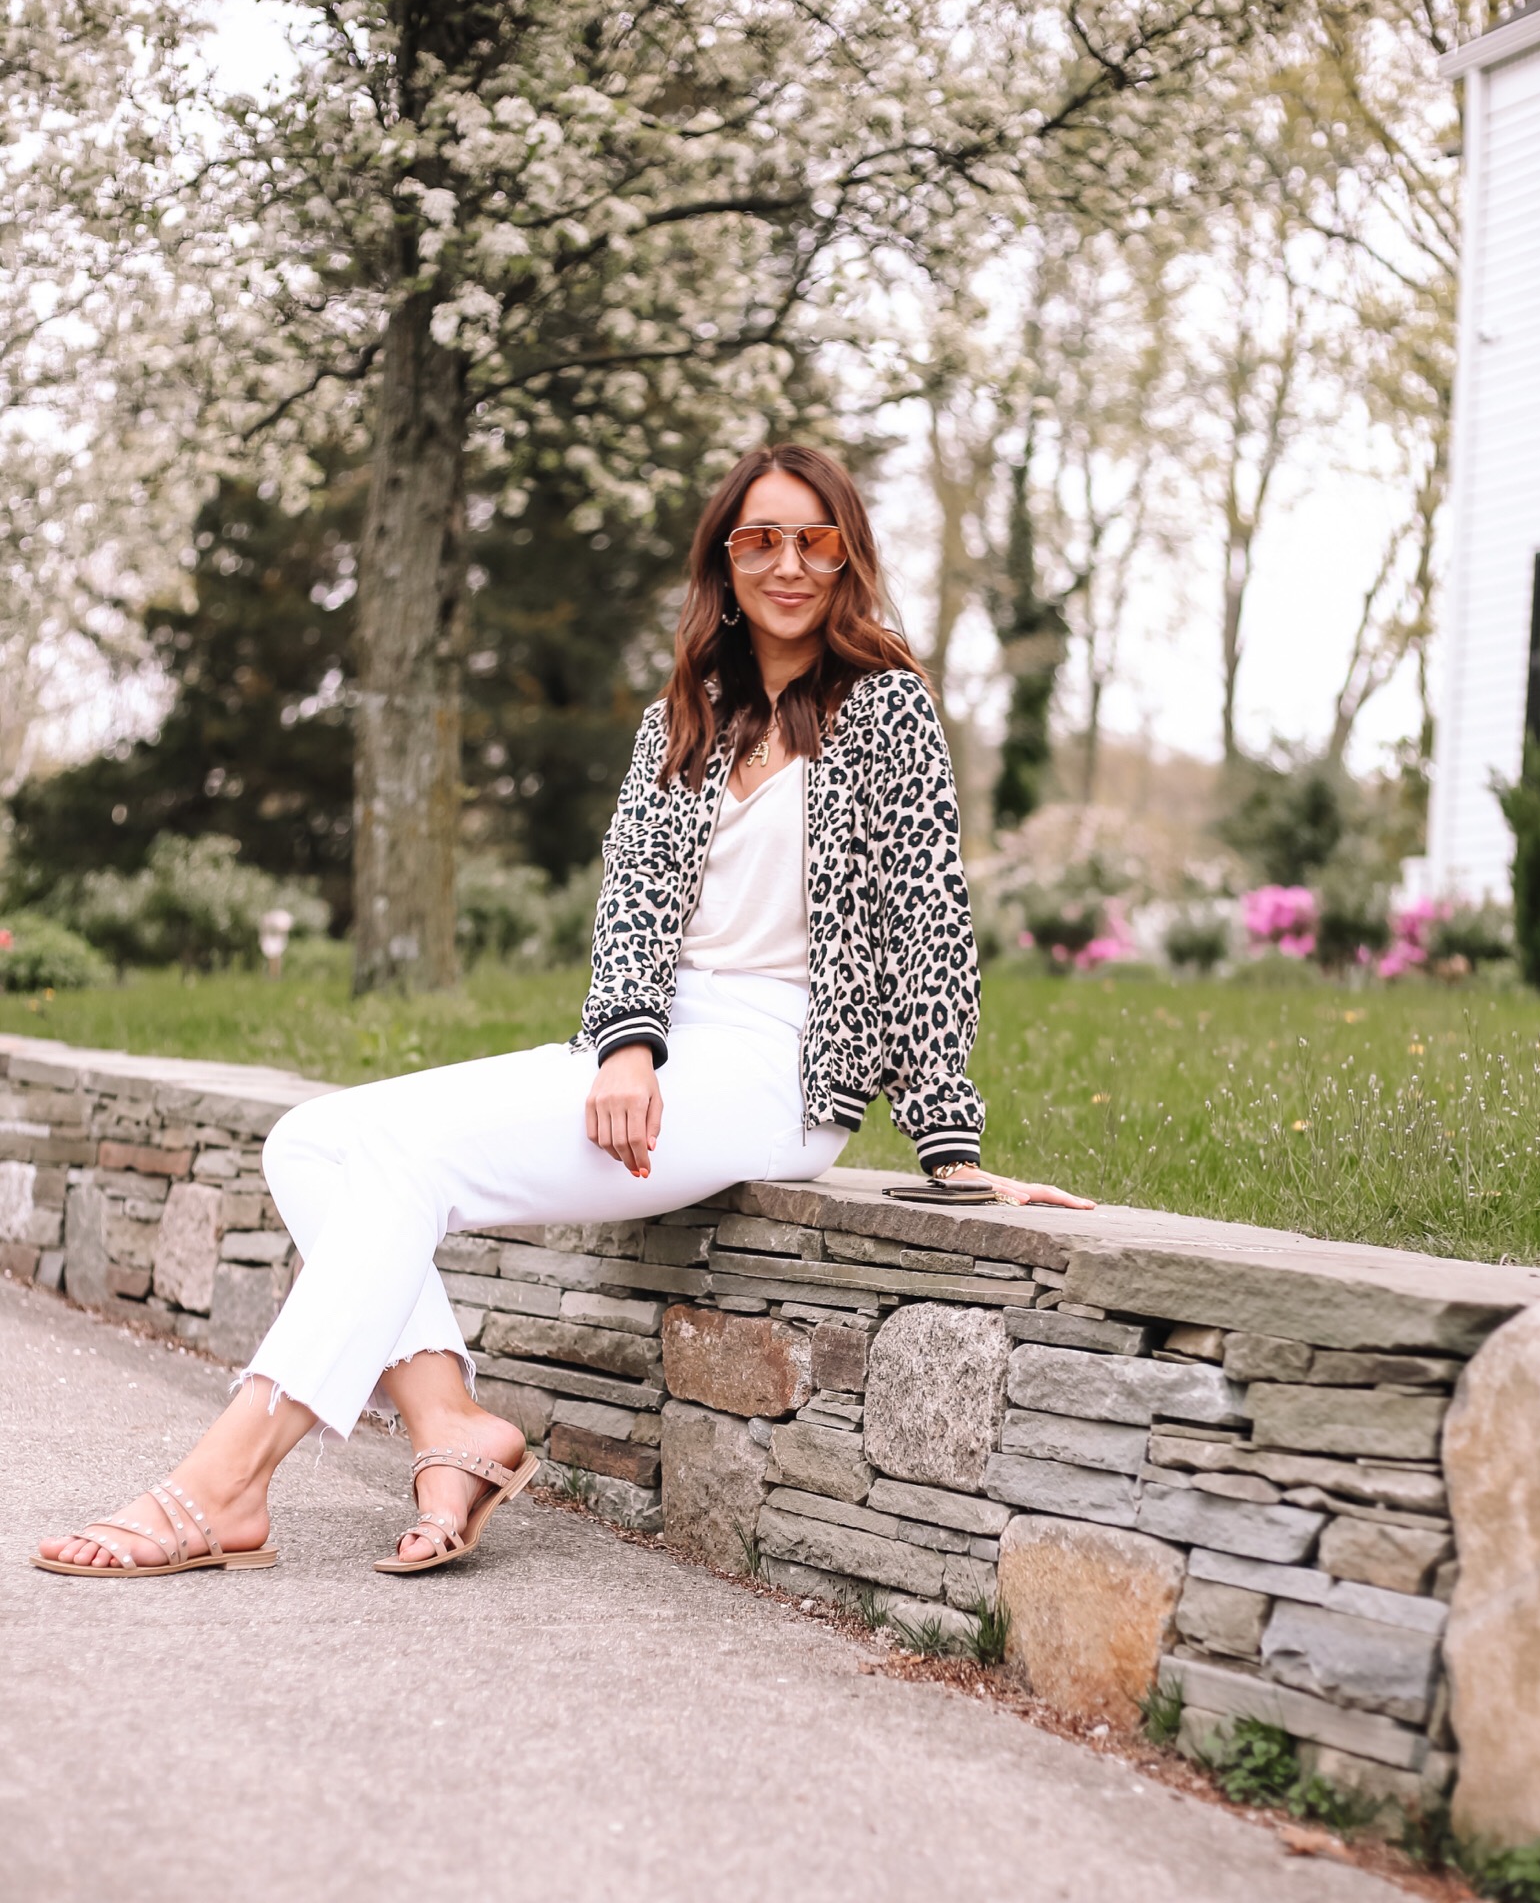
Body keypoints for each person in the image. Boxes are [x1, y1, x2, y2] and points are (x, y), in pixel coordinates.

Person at [36, 443, 1093, 1579]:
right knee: (316, 1139)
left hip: (779, 1066)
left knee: (403, 1165)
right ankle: (451, 1427)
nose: (789, 564)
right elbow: (631, 909)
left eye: (814, 539)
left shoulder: (887, 715)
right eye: (760, 540)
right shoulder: (680, 720)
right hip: (652, 1043)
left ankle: (227, 1479)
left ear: (847, 555)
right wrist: (630, 1045)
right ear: (723, 564)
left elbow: (930, 928)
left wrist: (950, 1145)